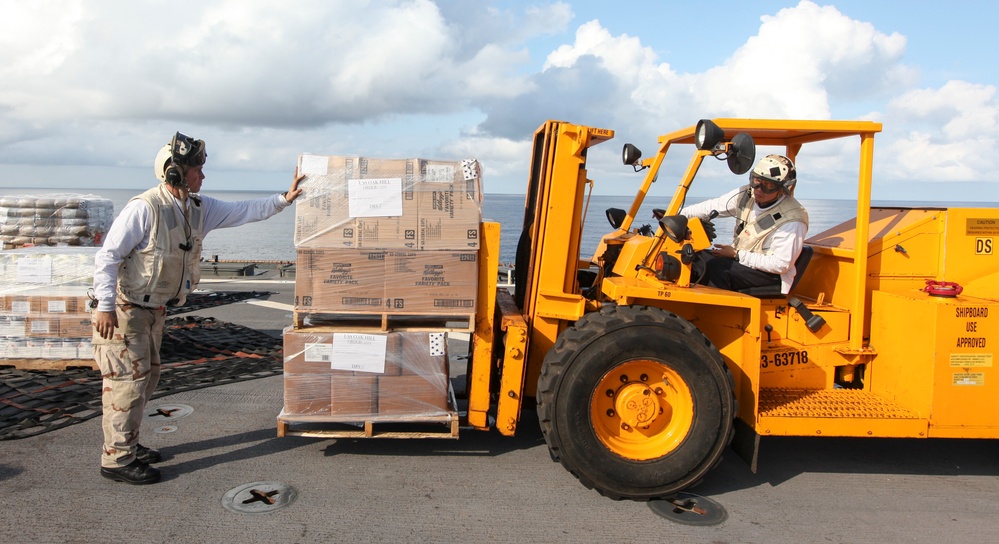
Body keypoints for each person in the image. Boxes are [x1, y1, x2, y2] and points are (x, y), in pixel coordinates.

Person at [92, 132, 304, 485]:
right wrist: (104, 305)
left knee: (146, 380)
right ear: (175, 172)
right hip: (127, 310)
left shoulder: (197, 209)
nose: (202, 176)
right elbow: (108, 256)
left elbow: (244, 211)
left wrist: (284, 199)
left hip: (155, 311)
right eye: (196, 170)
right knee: (127, 384)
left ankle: (126, 442)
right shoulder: (145, 208)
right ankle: (116, 459)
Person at [680, 154, 808, 293]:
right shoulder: (746, 195)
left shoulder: (793, 219)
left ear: (783, 188)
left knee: (717, 268)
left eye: (768, 185)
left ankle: (709, 305)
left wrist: (737, 254)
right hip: (743, 260)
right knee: (696, 257)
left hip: (771, 275)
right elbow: (711, 207)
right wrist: (677, 215)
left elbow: (781, 264)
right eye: (756, 180)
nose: (758, 189)